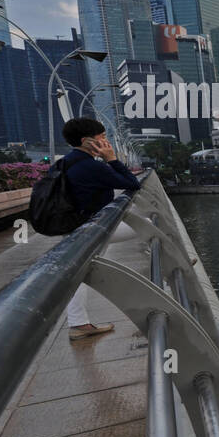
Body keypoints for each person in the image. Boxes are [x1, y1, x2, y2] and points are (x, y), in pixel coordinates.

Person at [58, 117, 142, 341]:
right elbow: (132, 183)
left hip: (75, 227)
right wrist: (112, 159)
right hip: (91, 229)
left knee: (79, 274)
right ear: (87, 141)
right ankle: (172, 263)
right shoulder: (90, 166)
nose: (107, 141)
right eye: (103, 137)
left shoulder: (65, 162)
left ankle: (79, 324)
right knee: (150, 226)